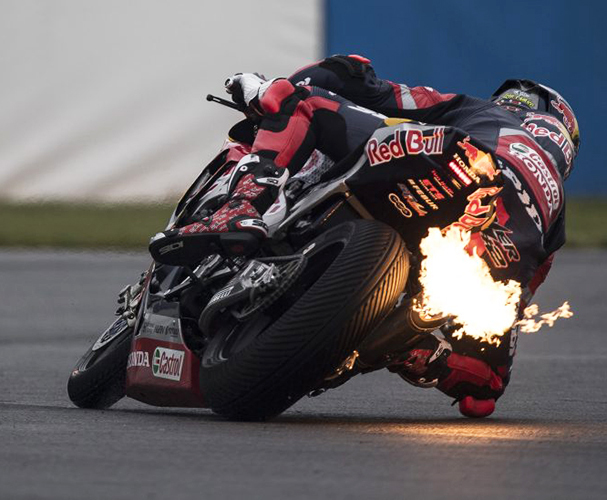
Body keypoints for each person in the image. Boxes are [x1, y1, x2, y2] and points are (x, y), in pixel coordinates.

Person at [148, 55, 580, 418]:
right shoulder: (553, 215)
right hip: (498, 247)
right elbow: (485, 382)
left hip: (456, 163)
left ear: (517, 106)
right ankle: (407, 347)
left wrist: (282, 87)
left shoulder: (487, 113)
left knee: (300, 103)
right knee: (483, 382)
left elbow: (368, 86)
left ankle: (241, 206)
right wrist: (448, 361)